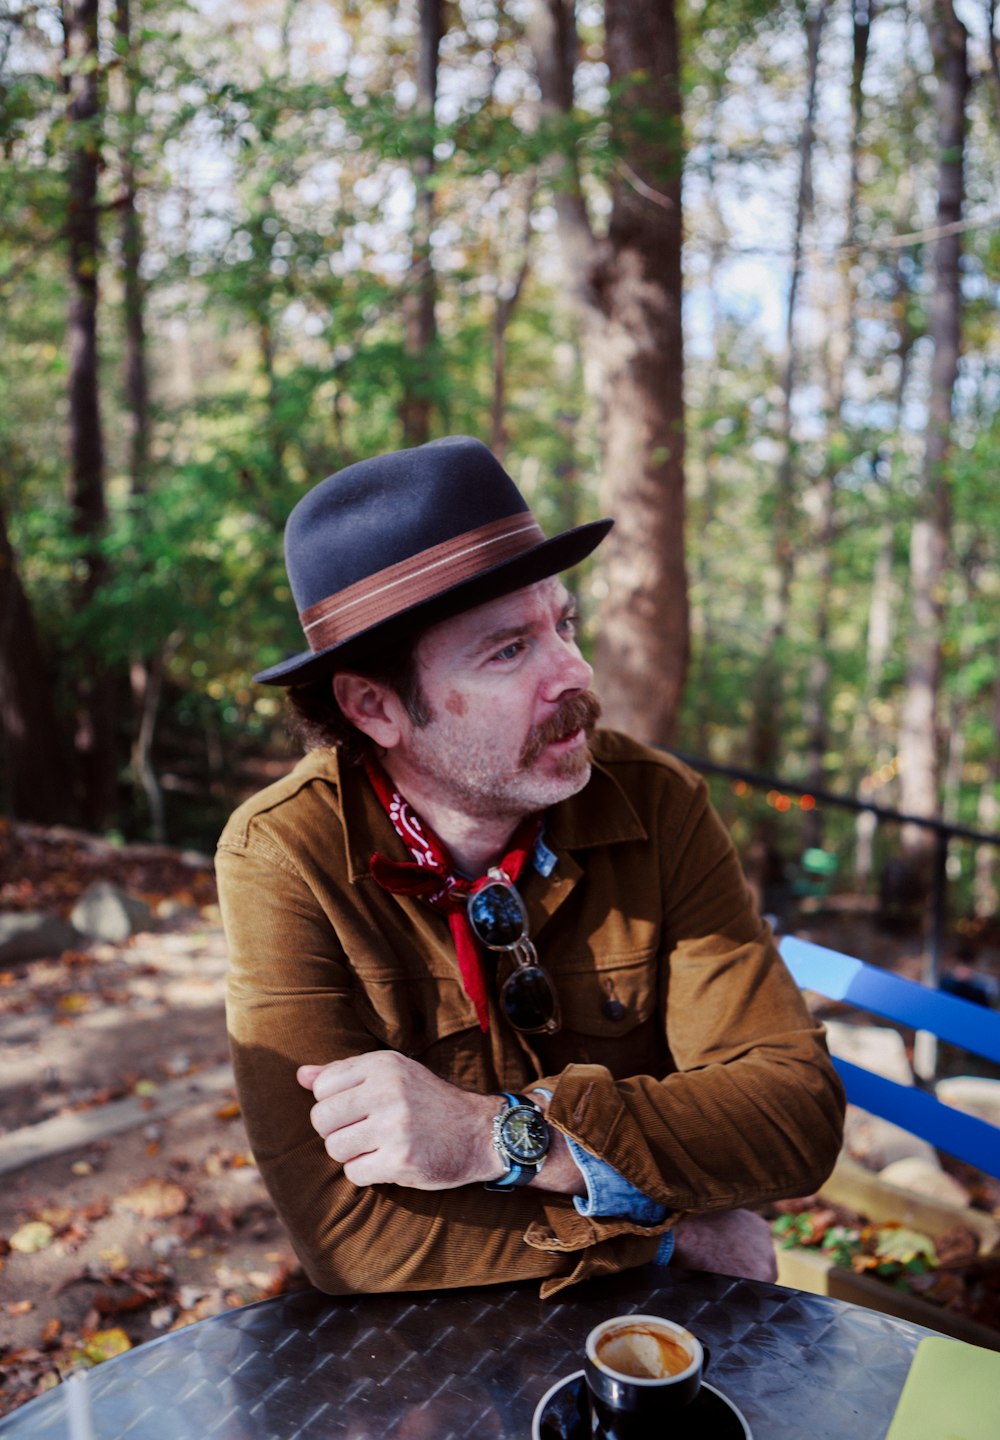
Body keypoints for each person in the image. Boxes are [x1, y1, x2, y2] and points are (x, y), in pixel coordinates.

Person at [217, 435, 845, 1299]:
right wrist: (669, 1229)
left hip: (656, 1341)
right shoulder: (288, 855)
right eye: (509, 650)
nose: (576, 672)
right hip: (421, 1359)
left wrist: (499, 1138)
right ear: (376, 706)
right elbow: (352, 1238)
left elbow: (793, 1118)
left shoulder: (659, 804)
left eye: (564, 623)